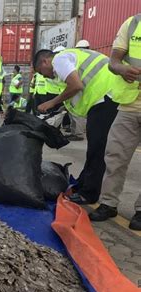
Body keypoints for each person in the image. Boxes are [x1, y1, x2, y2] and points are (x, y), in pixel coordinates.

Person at [34, 48, 119, 205]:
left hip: (107, 97)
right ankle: (83, 184)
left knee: (97, 149)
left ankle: (89, 193)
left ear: (46, 61)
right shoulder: (70, 59)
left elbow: (76, 85)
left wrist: (51, 102)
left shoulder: (59, 59)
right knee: (94, 148)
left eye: (41, 71)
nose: (45, 76)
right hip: (105, 98)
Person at [89, 13, 141, 230]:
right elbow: (114, 60)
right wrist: (120, 68)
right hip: (129, 103)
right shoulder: (133, 24)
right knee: (115, 156)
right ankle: (109, 203)